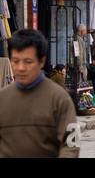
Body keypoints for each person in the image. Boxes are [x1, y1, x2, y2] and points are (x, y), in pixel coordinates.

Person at [0, 29, 79, 158]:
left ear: (42, 61)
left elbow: (71, 142)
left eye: (28, 61)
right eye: (15, 61)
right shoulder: (2, 99)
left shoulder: (60, 99)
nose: (20, 68)